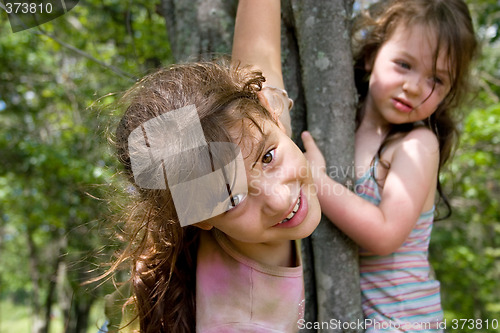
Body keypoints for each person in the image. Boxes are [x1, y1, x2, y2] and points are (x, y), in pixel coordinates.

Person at [100, 0, 321, 332]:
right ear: (198, 218)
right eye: (234, 200)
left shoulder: (249, 125)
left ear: (268, 107)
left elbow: (258, 33)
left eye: (269, 158)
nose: (277, 200)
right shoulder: (240, 322)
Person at [302, 0, 478, 331]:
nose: (413, 87)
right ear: (371, 55)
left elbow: (384, 234)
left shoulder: (416, 146)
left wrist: (317, 181)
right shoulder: (340, 125)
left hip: (403, 321)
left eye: (436, 80)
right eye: (403, 64)